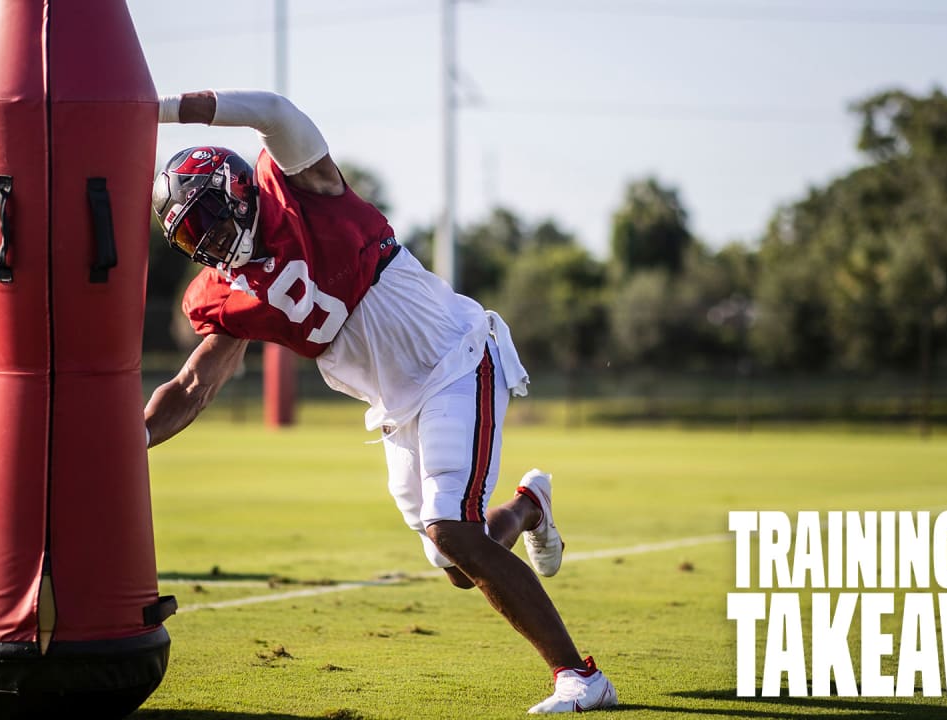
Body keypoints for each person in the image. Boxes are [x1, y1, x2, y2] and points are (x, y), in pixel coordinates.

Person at [143, 89, 617, 714]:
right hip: (397, 405)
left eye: (209, 220)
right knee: (453, 558)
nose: (207, 244)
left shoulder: (302, 189)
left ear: (235, 190)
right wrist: (128, 445)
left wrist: (155, 108)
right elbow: (192, 387)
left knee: (453, 528)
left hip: (454, 359)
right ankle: (530, 507)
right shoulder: (230, 293)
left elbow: (276, 112)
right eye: (190, 238)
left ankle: (580, 676)